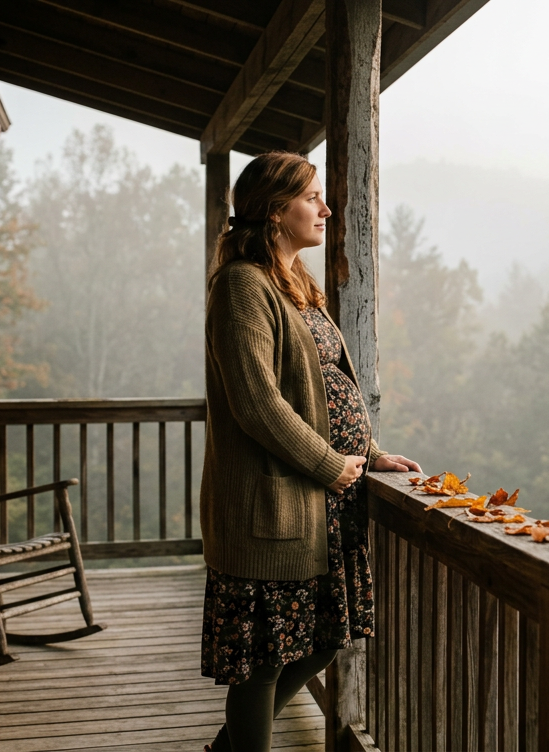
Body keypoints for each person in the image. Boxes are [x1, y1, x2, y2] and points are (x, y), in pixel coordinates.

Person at [200, 151, 420, 752]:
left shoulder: (293, 282)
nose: (326, 209)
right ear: (275, 211)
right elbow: (258, 403)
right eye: (311, 198)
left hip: (321, 504)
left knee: (326, 634)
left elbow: (325, 383)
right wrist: (331, 464)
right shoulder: (243, 286)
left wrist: (370, 452)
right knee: (263, 662)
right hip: (275, 505)